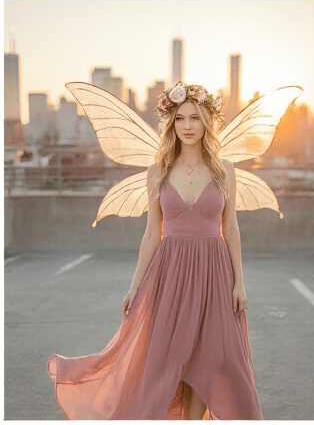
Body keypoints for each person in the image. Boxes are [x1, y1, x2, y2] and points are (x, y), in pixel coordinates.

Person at [48, 85, 262, 420]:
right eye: (180, 118)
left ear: (207, 122)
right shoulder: (157, 171)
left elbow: (231, 228)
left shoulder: (225, 169)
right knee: (170, 359)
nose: (188, 125)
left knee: (215, 358)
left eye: (195, 118)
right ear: (171, 123)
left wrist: (240, 283)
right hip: (170, 274)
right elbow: (151, 234)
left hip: (215, 273)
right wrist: (134, 287)